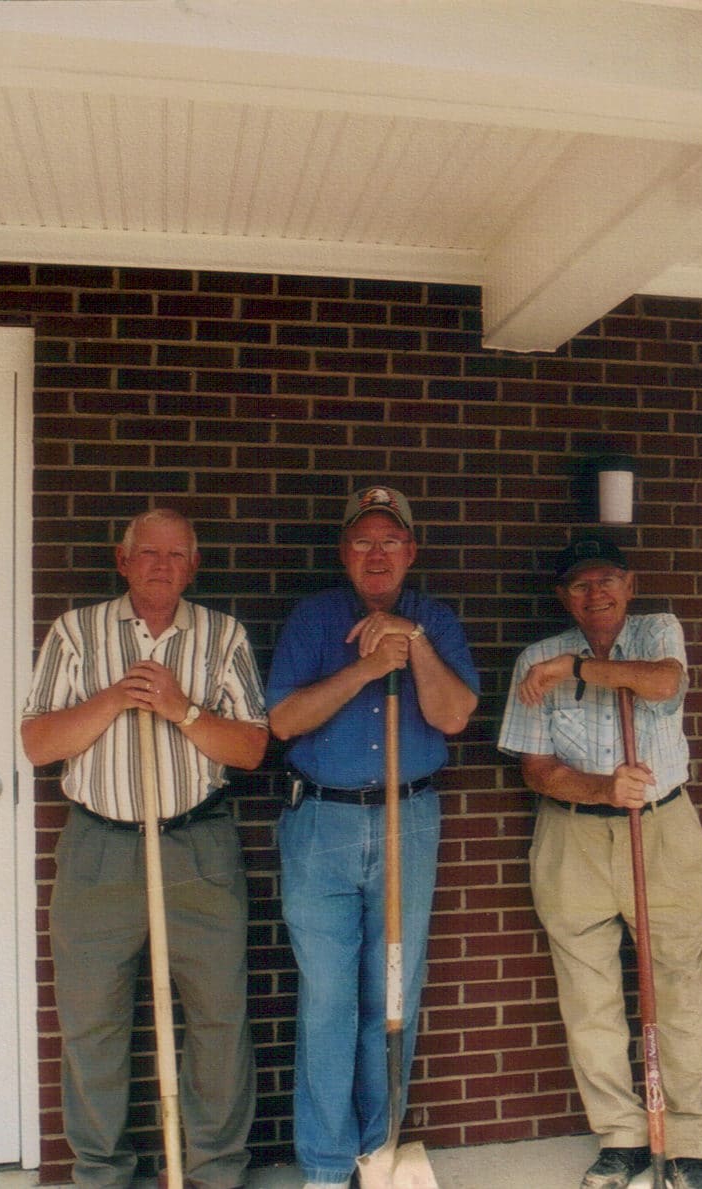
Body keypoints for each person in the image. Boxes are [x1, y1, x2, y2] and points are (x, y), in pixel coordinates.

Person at [20, 508, 269, 1189]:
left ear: (194, 566)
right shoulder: (77, 630)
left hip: (198, 845)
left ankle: (212, 1171)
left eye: (176, 555)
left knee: (218, 1016)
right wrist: (113, 698)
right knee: (93, 1021)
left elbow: (250, 748)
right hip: (101, 846)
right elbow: (39, 742)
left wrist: (182, 710)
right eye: (148, 553)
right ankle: (101, 1173)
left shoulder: (222, 635)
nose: (162, 565)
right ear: (122, 559)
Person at [266, 484, 480, 1189]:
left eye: (391, 539)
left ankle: (377, 1150)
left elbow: (452, 716)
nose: (377, 552)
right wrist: (366, 666)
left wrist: (410, 644)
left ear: (411, 550)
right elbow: (283, 722)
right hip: (321, 820)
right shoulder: (313, 618)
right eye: (364, 540)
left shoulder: (435, 619)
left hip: (406, 820)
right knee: (328, 997)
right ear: (344, 552)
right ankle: (328, 1167)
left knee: (393, 991)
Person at [497, 535, 702, 1189]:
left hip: (663, 830)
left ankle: (683, 1143)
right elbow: (536, 769)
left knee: (677, 986)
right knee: (588, 995)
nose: (594, 594)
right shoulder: (532, 660)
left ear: (629, 582)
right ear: (563, 596)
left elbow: (663, 682)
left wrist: (579, 668)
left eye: (605, 581)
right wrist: (601, 788)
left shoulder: (658, 631)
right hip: (574, 840)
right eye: (578, 585)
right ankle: (622, 1137)